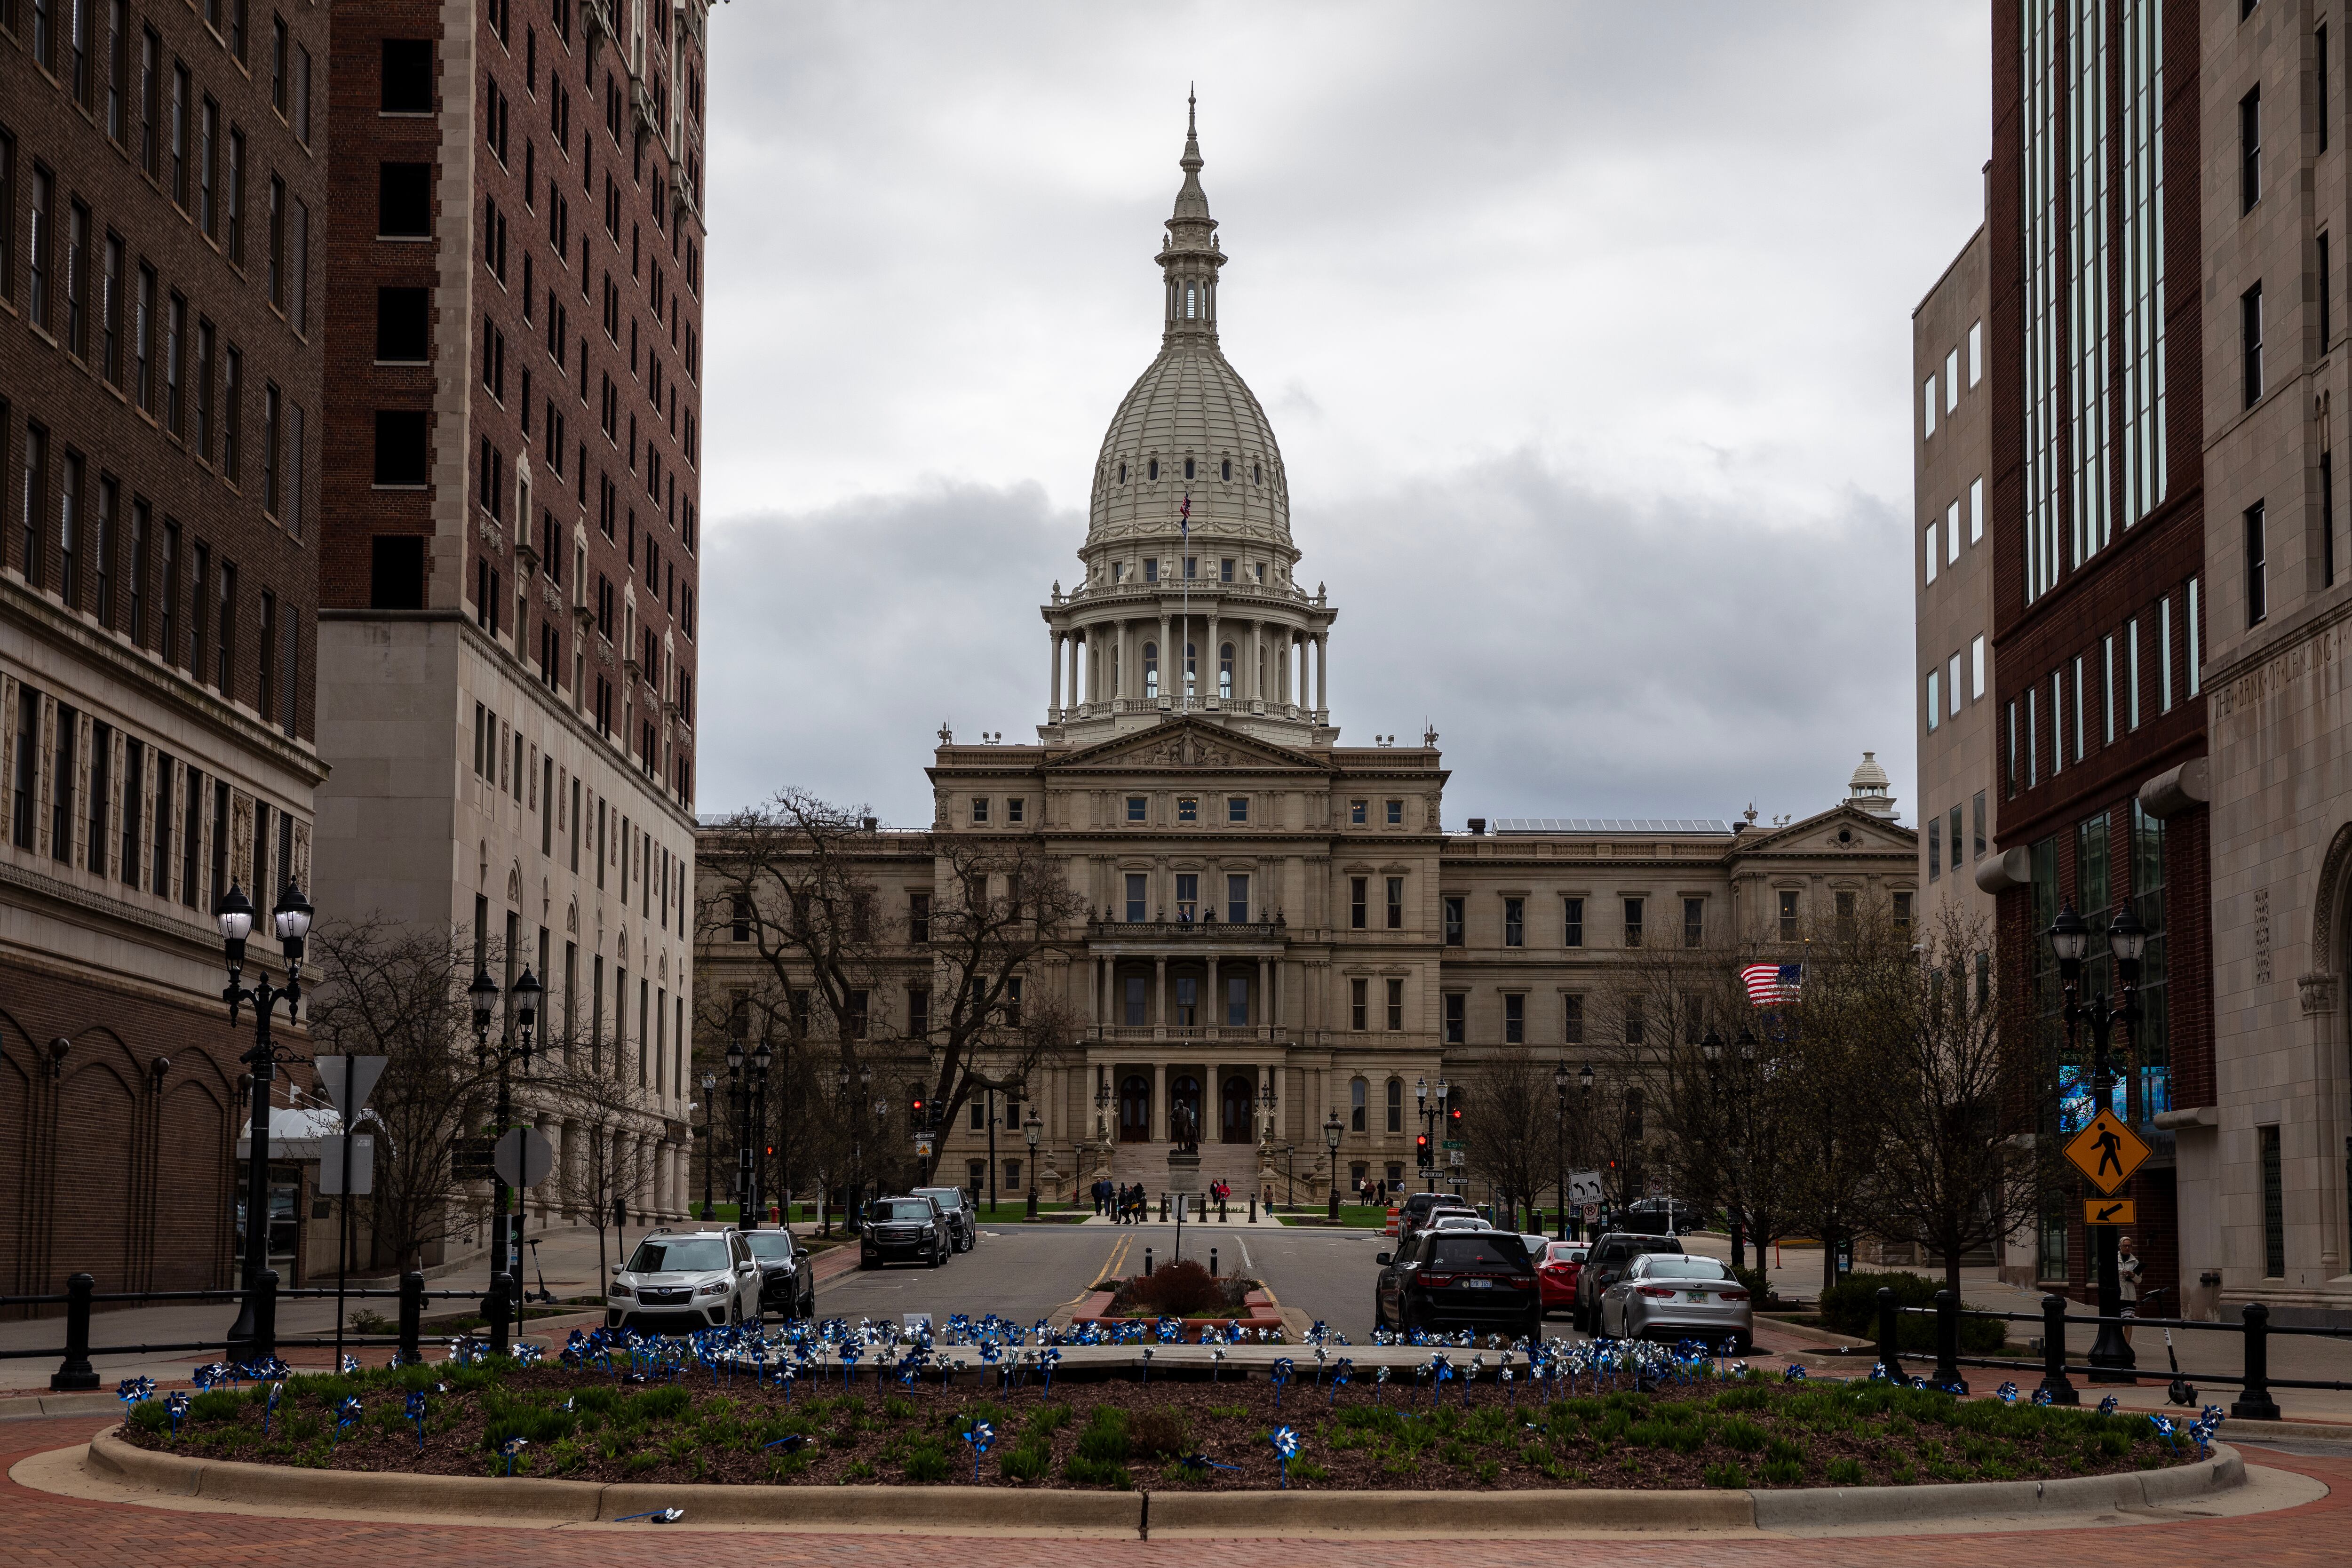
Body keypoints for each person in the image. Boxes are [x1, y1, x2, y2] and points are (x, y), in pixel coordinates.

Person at [2118, 1235, 2142, 1344]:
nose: (2127, 1248)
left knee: (2128, 1321)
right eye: (2125, 1246)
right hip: (2117, 1294)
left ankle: (2126, 1345)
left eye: (2129, 1246)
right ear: (2120, 1246)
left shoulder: (2135, 1262)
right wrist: (2121, 1271)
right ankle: (2117, 1343)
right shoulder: (2114, 1259)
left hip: (2129, 1295)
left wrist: (2133, 1275)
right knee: (2117, 1320)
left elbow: (2139, 1280)